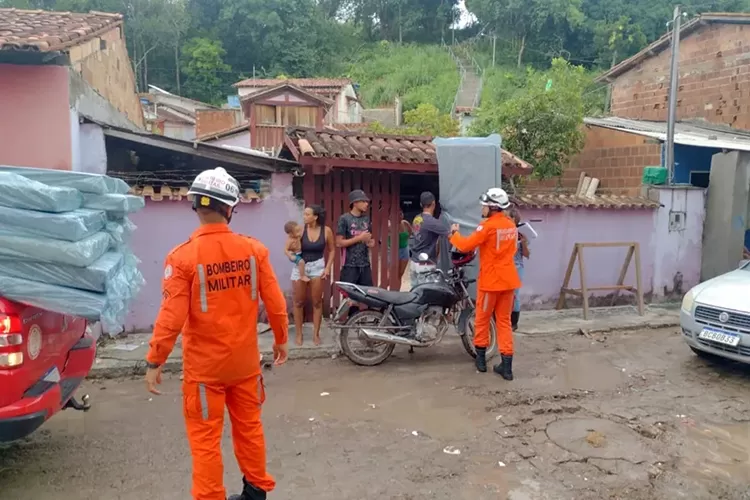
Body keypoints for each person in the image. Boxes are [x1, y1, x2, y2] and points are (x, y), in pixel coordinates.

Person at [144, 167, 289, 500]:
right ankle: (256, 492)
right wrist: (281, 339)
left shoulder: (182, 258)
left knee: (205, 440)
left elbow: (172, 316)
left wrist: (155, 360)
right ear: (229, 208)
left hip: (205, 372)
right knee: (249, 429)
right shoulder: (254, 251)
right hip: (245, 366)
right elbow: (276, 303)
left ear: (196, 205)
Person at [449, 187, 520, 379]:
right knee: (504, 322)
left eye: (484, 205)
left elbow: (464, 245)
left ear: (492, 207)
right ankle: (507, 368)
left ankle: (480, 361)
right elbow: (512, 251)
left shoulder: (487, 226)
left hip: (490, 282)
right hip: (509, 281)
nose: (482, 208)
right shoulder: (511, 226)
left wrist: (453, 234)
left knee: (482, 318)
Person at [291, 204, 335, 346]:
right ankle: (299, 334)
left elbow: (332, 250)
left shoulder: (326, 231)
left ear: (315, 217)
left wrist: (328, 268)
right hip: (301, 267)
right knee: (298, 302)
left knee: (317, 302)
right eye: (304, 214)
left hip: (318, 267)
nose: (304, 217)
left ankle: (316, 334)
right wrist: (292, 254)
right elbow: (289, 245)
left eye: (307, 214)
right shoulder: (300, 230)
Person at [410, 191, 451, 285]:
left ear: (421, 204)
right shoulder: (433, 223)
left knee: (415, 294)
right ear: (433, 203)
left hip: (414, 262)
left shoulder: (417, 218)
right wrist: (454, 230)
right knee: (428, 295)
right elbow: (450, 235)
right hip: (426, 266)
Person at [336, 189, 375, 286]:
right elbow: (339, 242)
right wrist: (359, 238)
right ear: (355, 203)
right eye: (363, 201)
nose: (366, 204)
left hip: (365, 264)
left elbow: (369, 239)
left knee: (367, 296)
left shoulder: (366, 219)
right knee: (349, 297)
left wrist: (370, 242)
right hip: (349, 265)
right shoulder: (344, 219)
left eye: (367, 202)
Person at [508, 207, 531, 331]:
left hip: (516, 267)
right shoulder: (503, 233)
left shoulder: (520, 233)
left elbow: (527, 255)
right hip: (504, 267)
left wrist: (523, 242)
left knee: (514, 295)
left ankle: (514, 322)